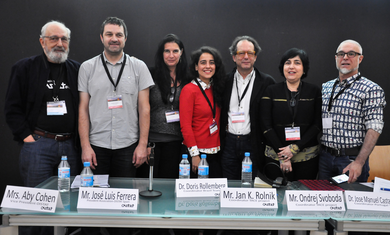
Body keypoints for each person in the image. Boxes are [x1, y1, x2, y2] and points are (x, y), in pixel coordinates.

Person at [4, 20, 81, 235]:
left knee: (70, 203)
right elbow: (12, 108)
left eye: (63, 39)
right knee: (37, 207)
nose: (59, 43)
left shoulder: (77, 69)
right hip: (39, 146)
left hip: (71, 148)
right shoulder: (24, 68)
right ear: (42, 41)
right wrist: (27, 137)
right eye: (53, 38)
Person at [78, 16, 154, 177]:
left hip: (128, 146)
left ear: (125, 38)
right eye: (109, 34)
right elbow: (83, 109)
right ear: (101, 37)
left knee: (125, 197)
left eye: (119, 35)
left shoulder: (139, 67)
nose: (114, 39)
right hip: (96, 145)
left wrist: (142, 144)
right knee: (96, 197)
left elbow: (145, 109)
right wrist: (85, 146)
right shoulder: (87, 68)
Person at [319, 39, 386, 183]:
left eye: (351, 54)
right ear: (335, 58)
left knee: (351, 202)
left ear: (360, 58)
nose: (345, 58)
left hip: (350, 159)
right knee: (324, 202)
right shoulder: (326, 87)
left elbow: (374, 128)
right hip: (324, 157)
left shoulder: (371, 89)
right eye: (341, 54)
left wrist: (359, 162)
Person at [260, 48, 322, 181]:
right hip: (275, 158)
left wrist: (294, 148)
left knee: (303, 197)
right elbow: (265, 125)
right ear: (282, 67)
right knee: (277, 198)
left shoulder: (314, 91)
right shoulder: (271, 91)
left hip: (307, 158)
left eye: (297, 63)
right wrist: (283, 155)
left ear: (304, 68)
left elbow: (317, 125)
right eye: (287, 62)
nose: (291, 66)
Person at [220, 36, 275, 180]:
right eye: (241, 53)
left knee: (251, 187)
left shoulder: (267, 82)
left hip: (253, 143)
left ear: (255, 57)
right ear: (233, 57)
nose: (246, 57)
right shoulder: (224, 81)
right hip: (228, 144)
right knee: (229, 186)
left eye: (250, 53)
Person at [138, 34, 189, 178]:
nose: (171, 55)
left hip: (176, 143)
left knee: (168, 186)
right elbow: (142, 109)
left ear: (181, 52)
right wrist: (146, 143)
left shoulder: (188, 77)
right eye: (167, 51)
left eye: (175, 51)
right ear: (162, 53)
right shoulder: (150, 74)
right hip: (152, 142)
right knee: (148, 184)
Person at [180, 46, 226, 178]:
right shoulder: (189, 90)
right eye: (203, 62)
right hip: (196, 154)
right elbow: (185, 126)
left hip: (216, 152)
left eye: (212, 62)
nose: (208, 66)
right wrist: (194, 155)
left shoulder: (217, 88)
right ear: (196, 67)